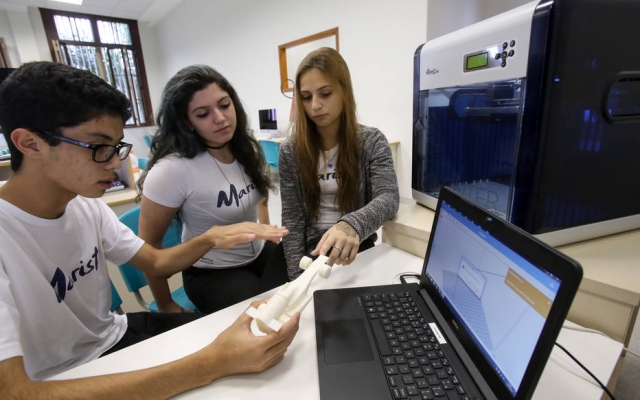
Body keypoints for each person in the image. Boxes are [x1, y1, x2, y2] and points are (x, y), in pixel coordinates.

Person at [0, 61, 299, 398]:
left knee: (250, 342)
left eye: (116, 148)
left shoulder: (87, 206)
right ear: (30, 143)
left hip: (116, 334)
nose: (116, 165)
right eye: (99, 148)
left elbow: (155, 262)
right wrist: (209, 364)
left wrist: (212, 237)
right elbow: (15, 393)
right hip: (55, 377)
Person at [137, 65, 288, 314]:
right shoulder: (171, 171)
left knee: (302, 287)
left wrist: (265, 230)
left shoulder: (245, 149)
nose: (219, 117)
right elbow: (149, 245)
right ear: (187, 122)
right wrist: (165, 304)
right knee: (264, 316)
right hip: (211, 271)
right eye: (203, 113)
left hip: (258, 253)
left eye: (224, 105)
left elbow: (259, 197)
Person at [279, 47, 400, 280]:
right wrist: (297, 275)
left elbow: (389, 197)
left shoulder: (371, 141)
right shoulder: (291, 150)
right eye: (306, 97)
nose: (315, 105)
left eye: (325, 94)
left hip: (353, 246)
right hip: (309, 248)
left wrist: (350, 225)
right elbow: (292, 218)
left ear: (345, 92)